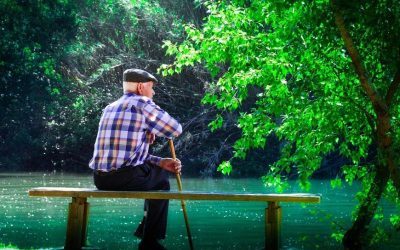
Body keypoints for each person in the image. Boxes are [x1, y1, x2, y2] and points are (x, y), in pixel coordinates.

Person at [89, 68, 182, 250]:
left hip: (100, 179)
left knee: (158, 171)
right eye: (151, 87)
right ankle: (149, 241)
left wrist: (159, 161)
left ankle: (147, 235)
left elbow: (127, 155)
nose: (153, 92)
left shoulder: (110, 107)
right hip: (125, 177)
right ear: (140, 87)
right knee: (161, 181)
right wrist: (151, 126)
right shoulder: (143, 104)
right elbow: (175, 130)